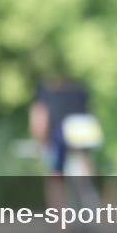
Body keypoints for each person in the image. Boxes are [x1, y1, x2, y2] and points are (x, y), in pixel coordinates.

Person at [29, 77, 91, 213]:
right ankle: (88, 214)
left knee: (55, 177)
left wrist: (40, 141)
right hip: (81, 131)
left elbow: (39, 117)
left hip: (59, 133)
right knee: (83, 174)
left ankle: (61, 222)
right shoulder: (81, 91)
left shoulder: (46, 92)